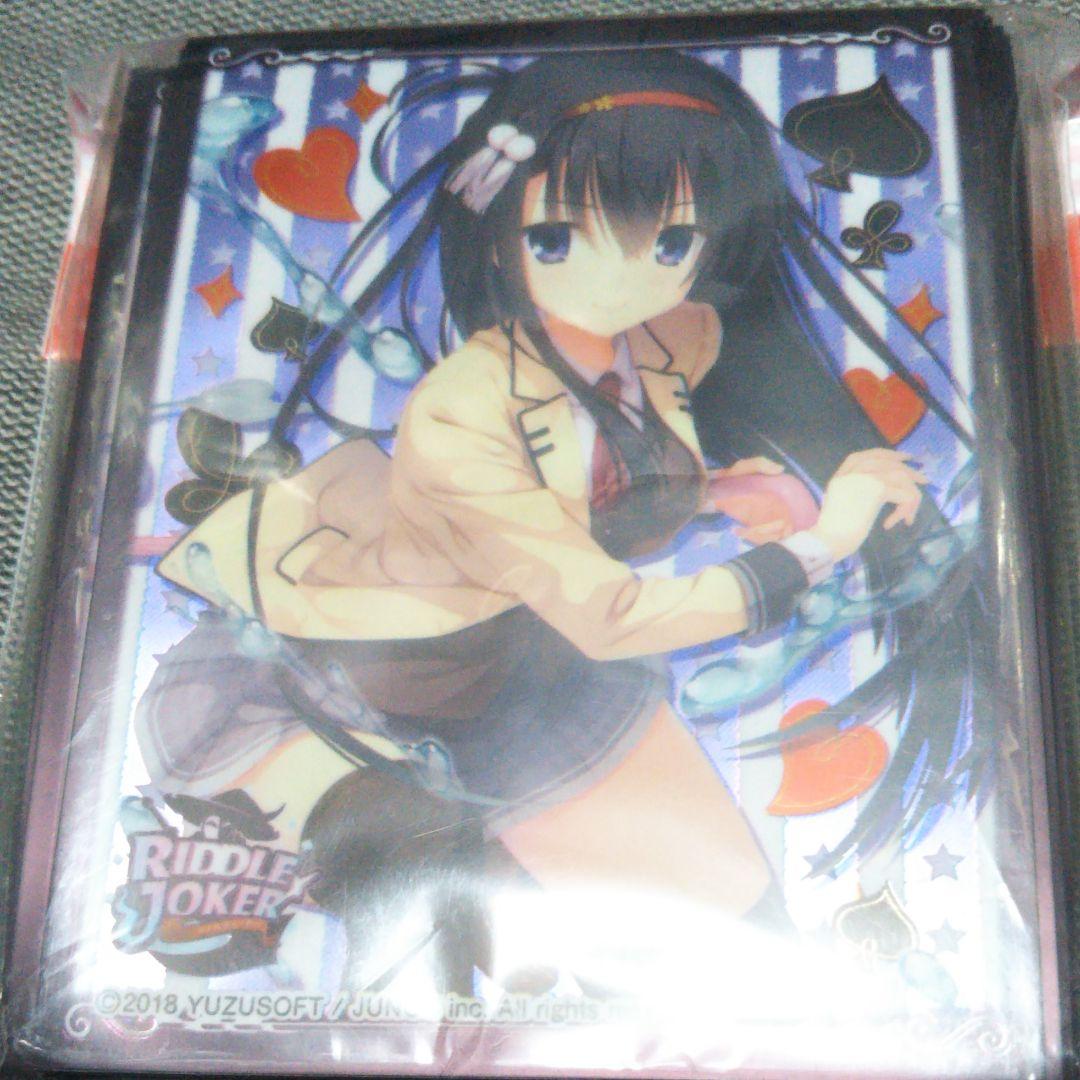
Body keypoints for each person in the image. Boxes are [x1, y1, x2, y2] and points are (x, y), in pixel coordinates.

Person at [138, 47, 978, 989]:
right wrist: (827, 542)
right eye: (558, 239)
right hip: (378, 682)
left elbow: (594, 476)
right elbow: (608, 613)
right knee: (414, 961)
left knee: (742, 944)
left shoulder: (670, 339)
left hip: (538, 670)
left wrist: (711, 490)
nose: (617, 280)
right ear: (500, 232)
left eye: (670, 242)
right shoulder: (460, 410)